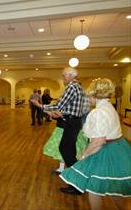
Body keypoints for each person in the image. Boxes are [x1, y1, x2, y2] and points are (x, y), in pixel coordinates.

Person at [60, 78, 131, 210]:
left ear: (95, 94)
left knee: (94, 187)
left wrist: (84, 154)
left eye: (89, 95)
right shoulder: (109, 106)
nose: (88, 98)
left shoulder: (98, 112)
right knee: (115, 185)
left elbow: (98, 141)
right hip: (118, 149)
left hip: (105, 150)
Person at [32, 67, 85, 195]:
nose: (63, 78)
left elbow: (59, 105)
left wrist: (40, 106)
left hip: (71, 123)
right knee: (67, 151)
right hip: (72, 121)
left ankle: (78, 182)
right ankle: (76, 181)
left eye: (64, 75)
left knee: (67, 151)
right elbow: (68, 107)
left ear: (71, 75)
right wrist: (60, 114)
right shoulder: (78, 87)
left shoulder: (72, 87)